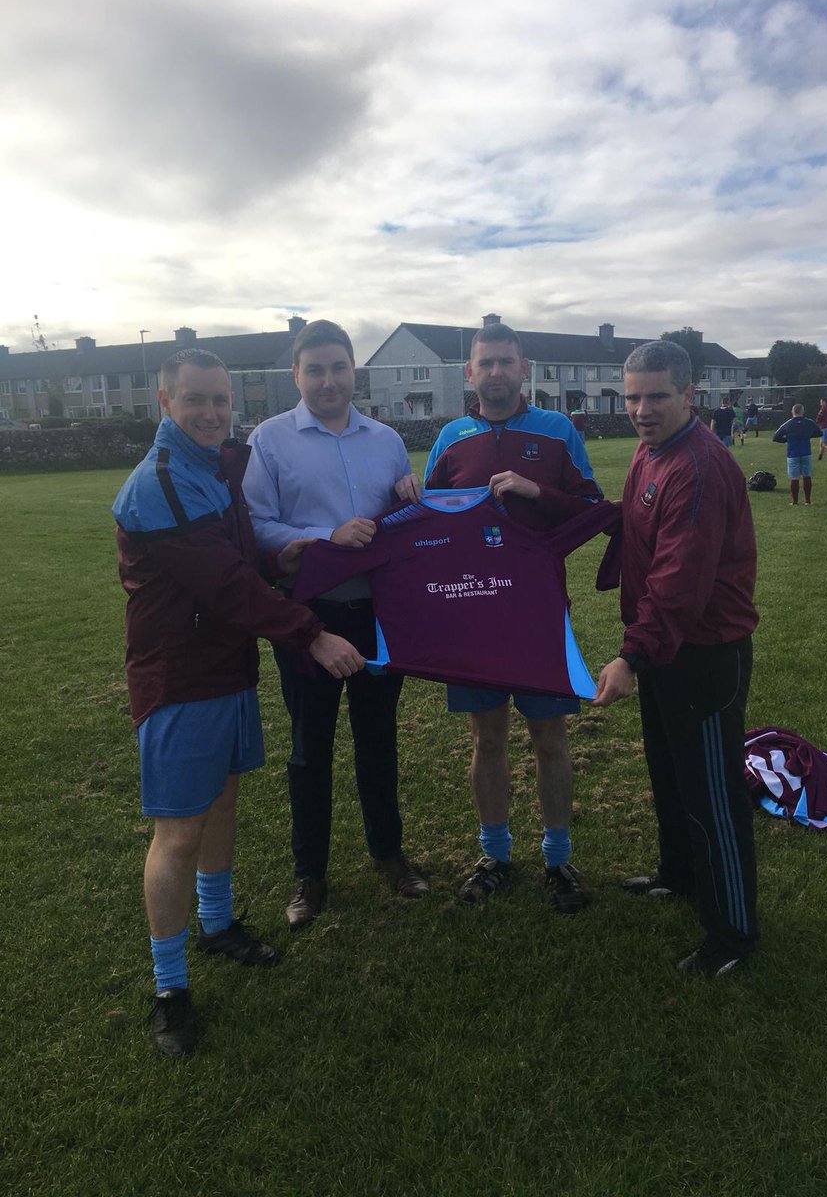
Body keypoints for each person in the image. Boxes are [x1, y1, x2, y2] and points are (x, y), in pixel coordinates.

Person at [113, 348, 363, 1055]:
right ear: (164, 402)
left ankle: (218, 926)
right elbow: (225, 584)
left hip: (227, 668)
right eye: (194, 400)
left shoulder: (220, 463)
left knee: (221, 805)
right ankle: (170, 988)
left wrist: (291, 559)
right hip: (177, 680)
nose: (210, 413)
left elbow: (245, 557)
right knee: (178, 833)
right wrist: (311, 633)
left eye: (219, 400)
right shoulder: (162, 480)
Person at [243, 319, 428, 932]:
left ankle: (389, 855)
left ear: (355, 372)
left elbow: (399, 526)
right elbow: (257, 526)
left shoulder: (387, 441)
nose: (328, 381)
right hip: (309, 618)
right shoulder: (269, 441)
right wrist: (325, 536)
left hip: (377, 613)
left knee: (379, 740)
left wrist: (408, 497)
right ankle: (310, 875)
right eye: (315, 369)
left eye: (338, 367)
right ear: (296, 375)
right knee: (309, 749)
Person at [424, 322, 606, 913]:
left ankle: (559, 858)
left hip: (538, 613)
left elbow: (591, 510)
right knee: (488, 737)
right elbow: (425, 521)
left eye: (507, 361)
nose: (496, 372)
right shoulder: (451, 438)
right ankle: (495, 854)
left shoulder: (557, 431)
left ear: (524, 368)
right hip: (472, 617)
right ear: (469, 373)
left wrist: (536, 492)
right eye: (486, 363)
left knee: (550, 738)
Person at [593, 340, 759, 977]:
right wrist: (545, 502)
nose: (640, 409)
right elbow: (633, 528)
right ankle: (679, 875)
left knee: (712, 792)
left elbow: (680, 584)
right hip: (664, 647)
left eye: (656, 395)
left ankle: (734, 937)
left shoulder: (700, 466)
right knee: (670, 771)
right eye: (632, 396)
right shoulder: (650, 451)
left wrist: (630, 656)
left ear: (690, 394)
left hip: (703, 654)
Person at [773, 403, 822, 505]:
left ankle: (794, 501)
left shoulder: (788, 424)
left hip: (792, 453)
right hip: (806, 452)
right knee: (807, 476)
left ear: (792, 411)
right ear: (802, 411)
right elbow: (819, 432)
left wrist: (787, 439)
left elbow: (776, 437)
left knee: (794, 478)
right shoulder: (809, 422)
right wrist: (807, 436)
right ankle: (807, 501)